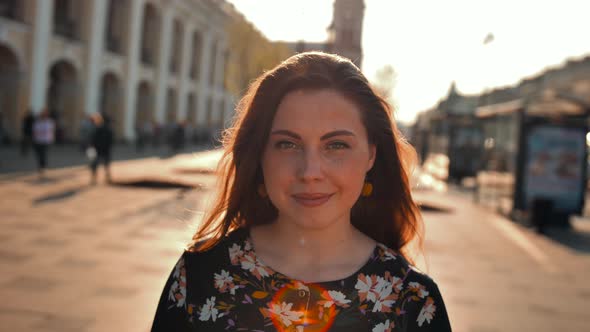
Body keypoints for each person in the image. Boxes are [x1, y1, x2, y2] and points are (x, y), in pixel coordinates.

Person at [151, 52, 452, 331]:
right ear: (261, 155)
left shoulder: (413, 301)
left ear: (371, 155)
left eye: (336, 145)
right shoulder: (198, 277)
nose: (310, 172)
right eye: (287, 144)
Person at [89, 113, 114, 185]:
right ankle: (107, 178)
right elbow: (111, 141)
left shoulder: (98, 128)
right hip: (105, 150)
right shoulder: (108, 129)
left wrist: (92, 146)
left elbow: (93, 139)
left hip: (98, 149)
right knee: (105, 165)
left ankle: (94, 179)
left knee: (95, 165)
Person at [32, 109, 55, 177]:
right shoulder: (37, 122)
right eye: (42, 115)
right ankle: (41, 165)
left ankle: (42, 167)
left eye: (44, 115)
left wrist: (51, 138)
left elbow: (50, 131)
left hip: (45, 141)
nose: (43, 116)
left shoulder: (49, 122)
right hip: (37, 140)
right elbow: (34, 130)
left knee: (43, 154)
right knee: (38, 154)